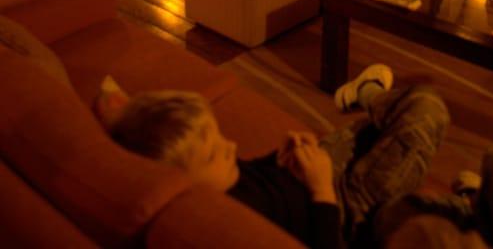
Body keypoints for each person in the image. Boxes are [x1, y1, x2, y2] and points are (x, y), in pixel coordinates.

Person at [108, 64, 449, 249]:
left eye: (219, 137)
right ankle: (369, 94)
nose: (231, 146)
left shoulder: (217, 180)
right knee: (426, 108)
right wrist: (322, 191)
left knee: (397, 121)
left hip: (315, 169)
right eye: (214, 154)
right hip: (345, 209)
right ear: (180, 181)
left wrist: (280, 159)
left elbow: (252, 178)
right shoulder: (231, 224)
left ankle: (368, 96)